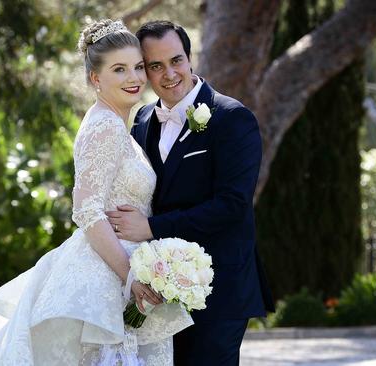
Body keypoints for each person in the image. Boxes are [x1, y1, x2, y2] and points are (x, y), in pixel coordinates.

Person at [0, 19, 192, 366]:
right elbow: (86, 210)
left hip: (119, 270)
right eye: (119, 69)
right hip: (107, 275)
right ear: (95, 78)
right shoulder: (105, 125)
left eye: (137, 67)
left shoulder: (117, 123)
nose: (134, 78)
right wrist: (131, 275)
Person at [106, 20, 275, 365]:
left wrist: (152, 228)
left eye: (176, 60)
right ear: (146, 72)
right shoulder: (141, 121)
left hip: (218, 290)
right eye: (156, 66)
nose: (169, 73)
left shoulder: (232, 118)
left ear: (189, 58)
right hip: (158, 292)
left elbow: (232, 205)